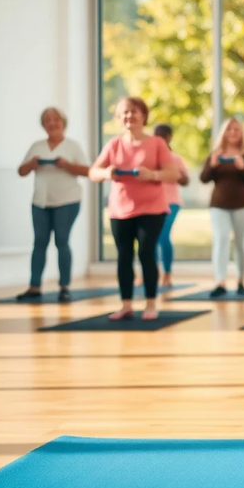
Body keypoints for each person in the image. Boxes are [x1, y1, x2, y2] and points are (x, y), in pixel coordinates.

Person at [89, 97, 180, 321]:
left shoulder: (157, 143)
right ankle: (126, 305)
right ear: (119, 118)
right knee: (124, 257)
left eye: (134, 112)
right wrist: (106, 173)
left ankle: (150, 304)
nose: (130, 116)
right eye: (125, 113)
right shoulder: (113, 145)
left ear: (144, 116)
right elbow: (93, 172)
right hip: (120, 210)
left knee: (146, 253)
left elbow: (173, 173)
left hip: (152, 209)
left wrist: (153, 175)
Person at [16, 107, 89, 302]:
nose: (52, 123)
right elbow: (21, 171)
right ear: (43, 125)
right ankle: (34, 286)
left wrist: (67, 165)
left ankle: (64, 286)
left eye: (55, 119)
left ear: (63, 122)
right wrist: (32, 164)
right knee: (39, 242)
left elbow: (87, 171)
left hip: (67, 201)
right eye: (47, 120)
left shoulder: (72, 146)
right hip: (40, 201)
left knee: (62, 241)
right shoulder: (37, 146)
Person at [201, 115, 244, 297]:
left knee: (241, 243)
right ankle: (220, 281)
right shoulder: (216, 153)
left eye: (236, 129)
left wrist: (243, 167)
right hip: (219, 204)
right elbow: (203, 178)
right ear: (224, 132)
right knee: (220, 240)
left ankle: (241, 280)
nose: (233, 132)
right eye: (229, 129)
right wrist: (212, 166)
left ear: (241, 132)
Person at [152, 123, 190, 287]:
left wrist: (173, 173)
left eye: (163, 136)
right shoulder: (150, 157)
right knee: (149, 240)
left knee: (163, 236)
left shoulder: (175, 158)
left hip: (171, 203)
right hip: (152, 202)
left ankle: (167, 273)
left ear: (169, 138)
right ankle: (151, 272)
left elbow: (185, 180)